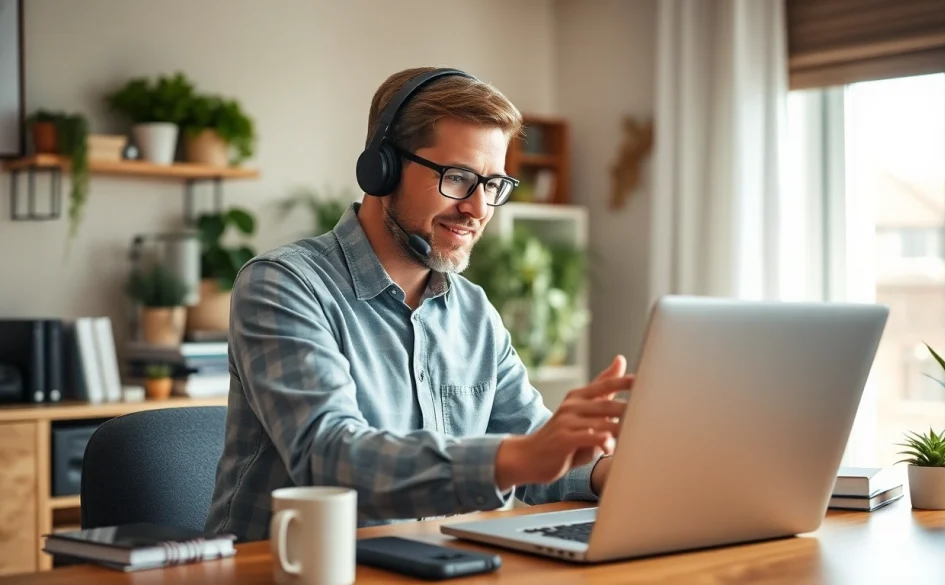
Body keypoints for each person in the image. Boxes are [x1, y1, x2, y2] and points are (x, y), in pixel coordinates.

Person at [204, 66, 634, 542]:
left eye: (492, 185)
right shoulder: (284, 284)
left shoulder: (473, 313)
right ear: (382, 169)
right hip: (291, 567)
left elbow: (540, 452)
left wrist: (612, 473)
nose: (477, 209)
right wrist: (519, 457)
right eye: (458, 177)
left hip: (431, 563)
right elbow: (328, 457)